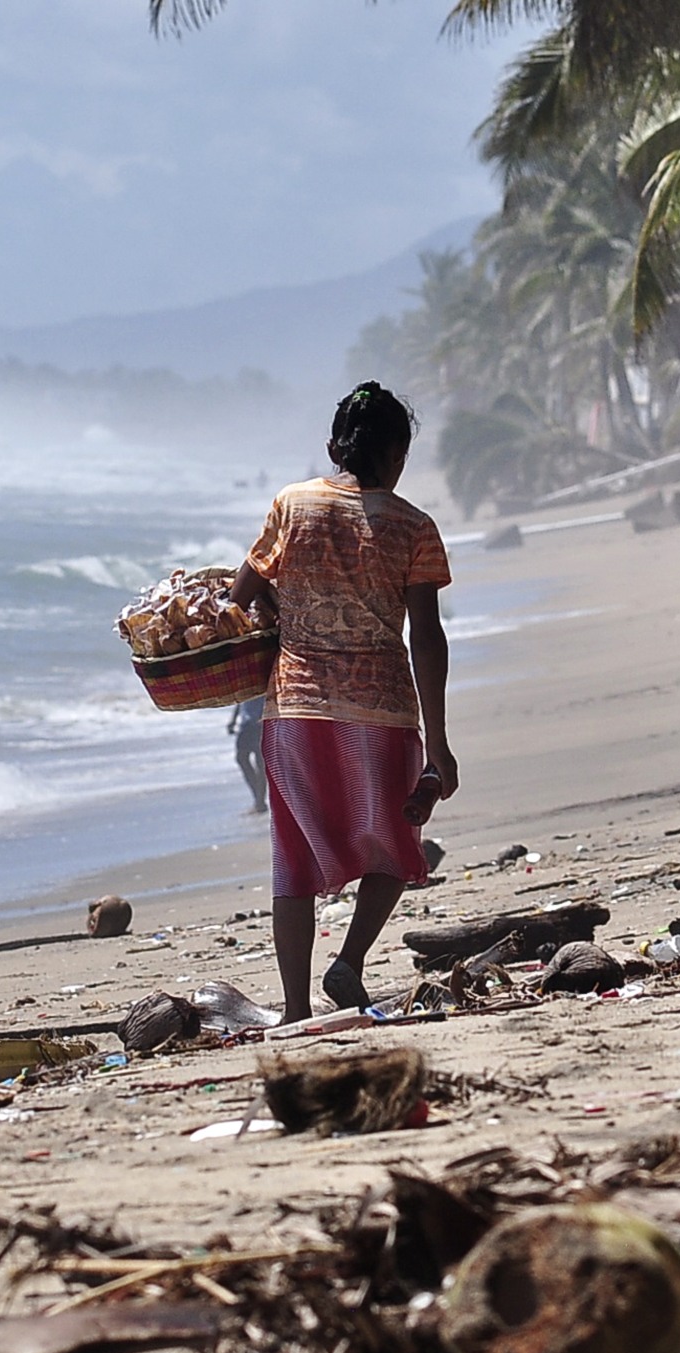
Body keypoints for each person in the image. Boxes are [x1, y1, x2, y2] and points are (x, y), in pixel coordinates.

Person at [231, 381, 457, 1022]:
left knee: (293, 857)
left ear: (334, 447)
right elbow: (427, 638)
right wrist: (437, 747)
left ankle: (296, 1009)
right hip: (381, 712)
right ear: (397, 457)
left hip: (296, 710)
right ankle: (350, 961)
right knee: (398, 841)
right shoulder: (414, 526)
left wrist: (287, 610)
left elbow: (242, 592)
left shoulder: (291, 505)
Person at [226, 697, 267, 812]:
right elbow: (240, 700)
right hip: (247, 724)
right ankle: (259, 800)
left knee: (260, 763)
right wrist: (233, 720)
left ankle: (259, 802)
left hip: (260, 723)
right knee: (242, 759)